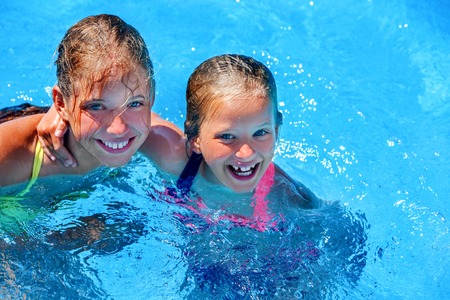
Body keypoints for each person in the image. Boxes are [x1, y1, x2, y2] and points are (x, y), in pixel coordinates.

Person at [37, 54, 322, 227]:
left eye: (261, 133)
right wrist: (59, 112)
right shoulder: (174, 156)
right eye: (227, 137)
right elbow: (120, 123)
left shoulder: (286, 194)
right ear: (195, 139)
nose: (246, 152)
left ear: (277, 129)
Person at [0, 14, 160, 192]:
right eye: (96, 106)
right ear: (60, 104)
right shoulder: (11, 158)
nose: (119, 130)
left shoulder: (157, 141)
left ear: (151, 98)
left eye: (134, 104)